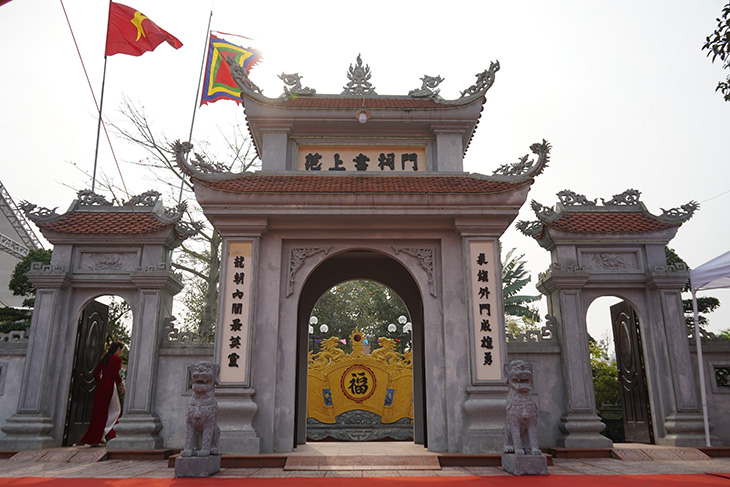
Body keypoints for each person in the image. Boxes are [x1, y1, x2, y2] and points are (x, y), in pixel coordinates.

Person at [80, 341, 126, 446]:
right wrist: (121, 384)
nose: (121, 353)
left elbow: (96, 374)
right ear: (118, 349)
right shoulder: (116, 359)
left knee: (99, 412)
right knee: (116, 410)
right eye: (121, 350)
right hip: (110, 386)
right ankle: (104, 434)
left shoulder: (104, 359)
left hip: (102, 386)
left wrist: (101, 382)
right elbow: (115, 374)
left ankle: (98, 437)